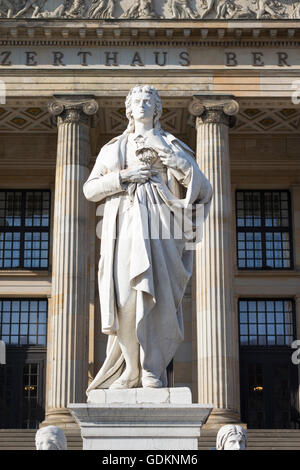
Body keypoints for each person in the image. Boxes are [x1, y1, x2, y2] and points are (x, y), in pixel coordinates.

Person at [83, 85, 212, 391]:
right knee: (125, 299)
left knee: (159, 300)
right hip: (123, 227)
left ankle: (152, 368)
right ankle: (130, 369)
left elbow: (203, 189)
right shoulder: (112, 149)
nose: (141, 105)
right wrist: (125, 177)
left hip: (161, 229)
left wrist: (172, 159)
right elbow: (89, 190)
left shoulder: (172, 144)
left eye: (148, 101)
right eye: (136, 101)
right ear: (128, 109)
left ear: (157, 109)